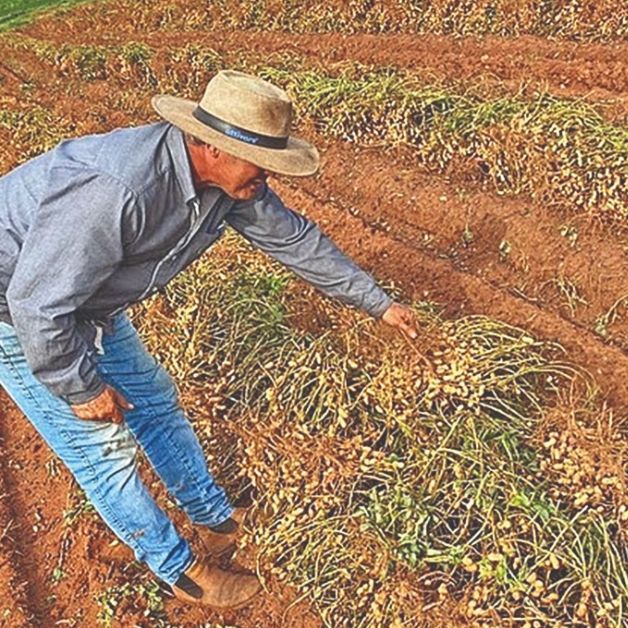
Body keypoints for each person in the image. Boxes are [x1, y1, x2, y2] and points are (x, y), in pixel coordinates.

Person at [0, 70, 419, 609]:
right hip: (18, 315)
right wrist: (80, 387)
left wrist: (378, 304)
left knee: (154, 399)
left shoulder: (230, 185)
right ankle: (180, 570)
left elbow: (294, 239)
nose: (268, 176)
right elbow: (38, 305)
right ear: (210, 146)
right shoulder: (117, 189)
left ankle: (214, 519)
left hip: (87, 302)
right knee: (102, 449)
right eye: (261, 162)